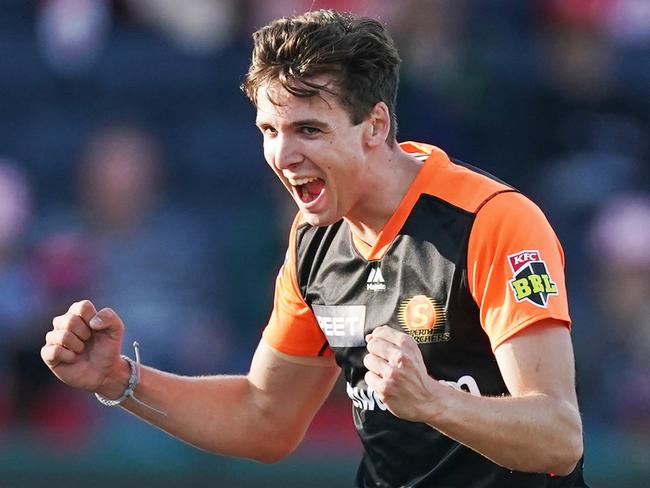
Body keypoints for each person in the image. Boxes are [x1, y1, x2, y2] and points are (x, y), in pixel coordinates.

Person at [41, 9, 588, 487]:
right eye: (268, 130)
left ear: (374, 126)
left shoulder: (492, 223)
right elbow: (265, 417)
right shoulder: (314, 241)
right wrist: (120, 381)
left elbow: (559, 438)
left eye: (308, 129)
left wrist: (433, 402)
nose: (283, 154)